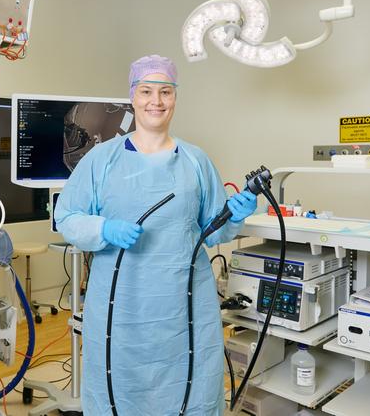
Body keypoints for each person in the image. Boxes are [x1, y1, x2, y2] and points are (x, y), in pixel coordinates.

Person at [54, 55, 257, 416]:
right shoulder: (101, 159)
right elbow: (67, 217)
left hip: (184, 308)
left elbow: (213, 231)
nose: (156, 101)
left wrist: (233, 217)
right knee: (118, 389)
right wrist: (104, 228)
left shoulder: (196, 161)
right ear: (133, 97)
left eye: (165, 92)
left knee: (189, 388)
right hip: (121, 308)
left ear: (175, 98)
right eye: (147, 91)